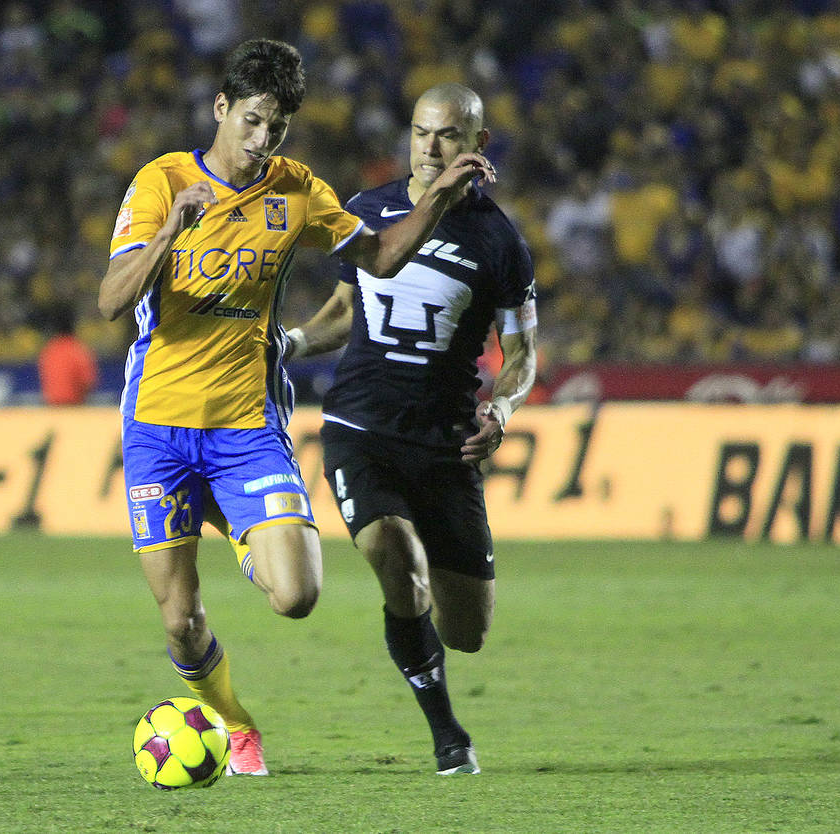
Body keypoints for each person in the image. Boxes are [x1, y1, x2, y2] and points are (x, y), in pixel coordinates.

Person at [98, 41, 495, 776]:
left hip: (246, 424)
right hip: (156, 426)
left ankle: (231, 519)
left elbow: (379, 257)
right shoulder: (162, 181)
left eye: (275, 129)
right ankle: (236, 724)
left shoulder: (297, 191)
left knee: (298, 595)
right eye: (250, 121)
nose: (259, 140)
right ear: (222, 108)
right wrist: (168, 233)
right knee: (181, 621)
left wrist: (437, 195)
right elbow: (112, 301)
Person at [286, 82, 537, 775]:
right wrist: (289, 345)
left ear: (478, 146)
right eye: (421, 132)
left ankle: (427, 648)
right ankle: (448, 736)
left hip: (447, 441)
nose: (430, 147)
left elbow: (522, 353)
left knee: (467, 630)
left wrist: (503, 411)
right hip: (359, 427)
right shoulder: (369, 210)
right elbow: (344, 309)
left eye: (449, 135)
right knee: (398, 562)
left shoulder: (501, 241)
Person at [37, 304, 99, 405]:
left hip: (51, 409)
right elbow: (88, 382)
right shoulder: (77, 350)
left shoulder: (49, 350)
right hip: (74, 408)